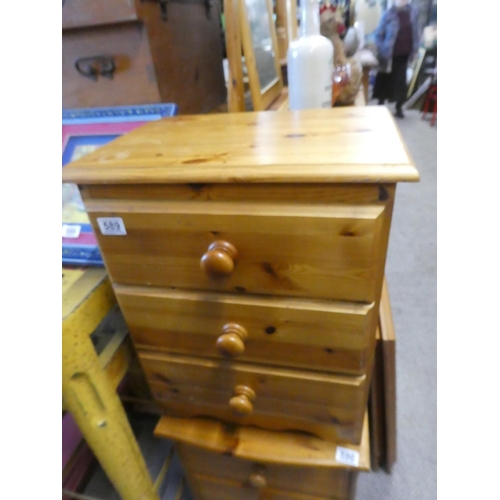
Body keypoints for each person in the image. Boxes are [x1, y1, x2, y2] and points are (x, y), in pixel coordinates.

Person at [372, 0, 420, 118]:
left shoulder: (413, 13)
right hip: (388, 54)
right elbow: (378, 34)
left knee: (400, 83)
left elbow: (416, 33)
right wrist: (381, 48)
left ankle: (399, 108)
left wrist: (415, 50)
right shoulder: (388, 14)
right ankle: (381, 104)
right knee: (384, 79)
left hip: (404, 53)